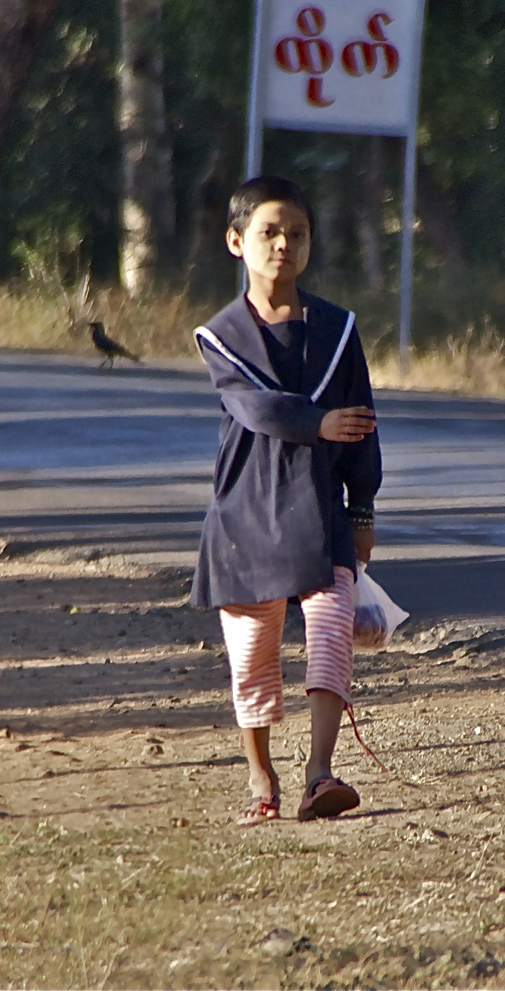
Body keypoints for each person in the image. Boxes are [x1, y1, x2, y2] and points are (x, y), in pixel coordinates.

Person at [189, 175, 381, 825]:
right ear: (236, 241)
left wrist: (362, 509)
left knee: (331, 632)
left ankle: (319, 772)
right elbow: (253, 406)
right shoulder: (221, 336)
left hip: (320, 509)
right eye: (269, 233)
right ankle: (260, 778)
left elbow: (361, 420)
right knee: (253, 657)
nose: (283, 246)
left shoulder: (337, 328)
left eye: (296, 234)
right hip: (246, 515)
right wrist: (315, 424)